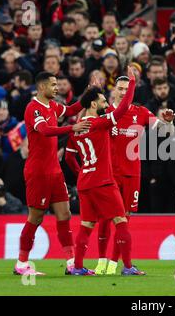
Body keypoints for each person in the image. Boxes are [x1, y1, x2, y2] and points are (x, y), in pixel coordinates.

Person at [64, 67, 145, 276]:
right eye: (102, 102)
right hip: (103, 181)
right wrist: (133, 83)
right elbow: (123, 107)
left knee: (86, 225)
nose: (107, 105)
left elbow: (68, 157)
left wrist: (81, 172)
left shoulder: (77, 128)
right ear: (93, 104)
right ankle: (127, 267)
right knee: (121, 221)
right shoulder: (101, 124)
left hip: (84, 182)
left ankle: (78, 267)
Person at [92, 72, 175, 276]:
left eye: (126, 88)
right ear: (113, 91)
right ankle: (101, 263)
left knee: (124, 220)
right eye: (119, 88)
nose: (122, 92)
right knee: (104, 219)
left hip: (131, 174)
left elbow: (167, 132)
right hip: (108, 174)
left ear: (132, 91)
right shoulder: (104, 113)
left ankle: (114, 264)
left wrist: (169, 122)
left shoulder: (141, 112)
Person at [13, 71, 92, 276]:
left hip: (55, 171)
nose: (57, 88)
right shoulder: (33, 108)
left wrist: (88, 94)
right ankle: (21, 263)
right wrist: (71, 128)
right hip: (38, 171)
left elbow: (73, 108)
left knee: (64, 214)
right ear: (42, 87)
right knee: (36, 217)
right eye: (53, 85)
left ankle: (72, 263)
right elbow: (46, 130)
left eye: (57, 84)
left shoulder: (54, 106)